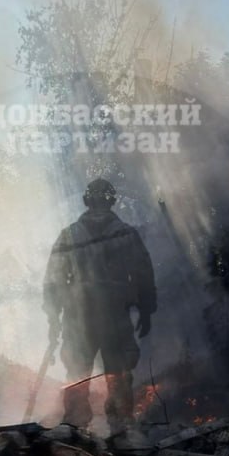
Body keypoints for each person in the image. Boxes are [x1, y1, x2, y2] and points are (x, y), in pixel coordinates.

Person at [43, 178, 156, 435]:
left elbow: (53, 281)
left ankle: (74, 425)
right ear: (111, 200)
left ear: (87, 200)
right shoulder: (126, 234)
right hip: (113, 316)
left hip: (79, 317)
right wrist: (146, 309)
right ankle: (120, 426)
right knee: (117, 371)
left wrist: (54, 317)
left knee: (78, 370)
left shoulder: (70, 235)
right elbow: (143, 274)